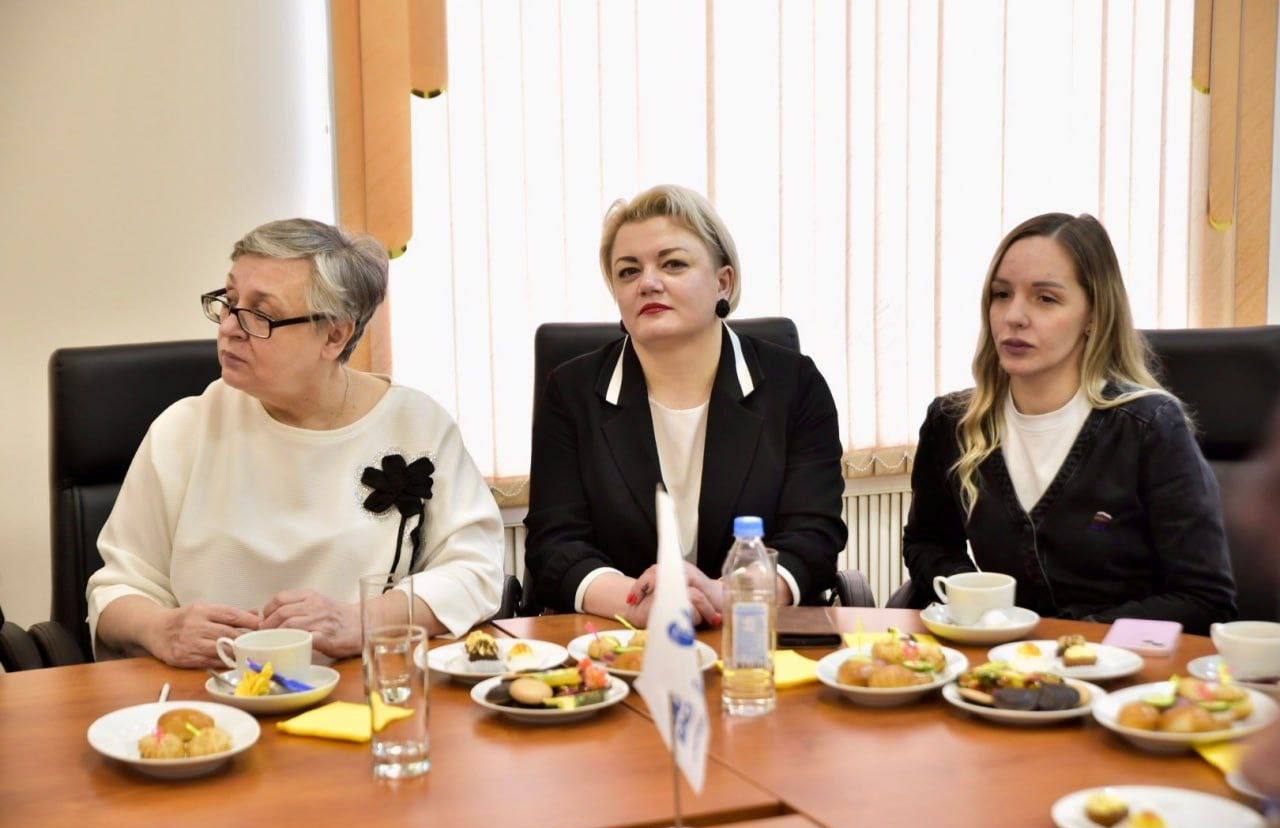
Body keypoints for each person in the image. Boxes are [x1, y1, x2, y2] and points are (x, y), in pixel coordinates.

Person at [88, 218, 504, 667]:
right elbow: (115, 588)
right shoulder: (185, 430)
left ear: (335, 335)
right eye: (230, 302)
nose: (229, 328)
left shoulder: (416, 426)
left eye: (260, 314)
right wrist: (160, 628)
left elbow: (476, 570)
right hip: (213, 696)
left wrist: (362, 621)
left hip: (366, 691)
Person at [523, 184, 847, 626]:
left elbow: (813, 537)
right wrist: (636, 603)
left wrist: (728, 595)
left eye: (673, 264)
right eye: (628, 271)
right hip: (618, 639)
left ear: (723, 282)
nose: (648, 283)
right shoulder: (571, 392)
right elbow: (556, 544)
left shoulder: (795, 385)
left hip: (752, 633)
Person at [901, 212, 1235, 634]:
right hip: (1000, 661)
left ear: (1093, 314)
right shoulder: (953, 424)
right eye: (1002, 294)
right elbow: (928, 542)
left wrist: (1067, 639)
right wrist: (972, 596)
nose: (1014, 316)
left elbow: (1204, 599)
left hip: (1123, 665)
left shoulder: (1149, 427)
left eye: (1045, 298)